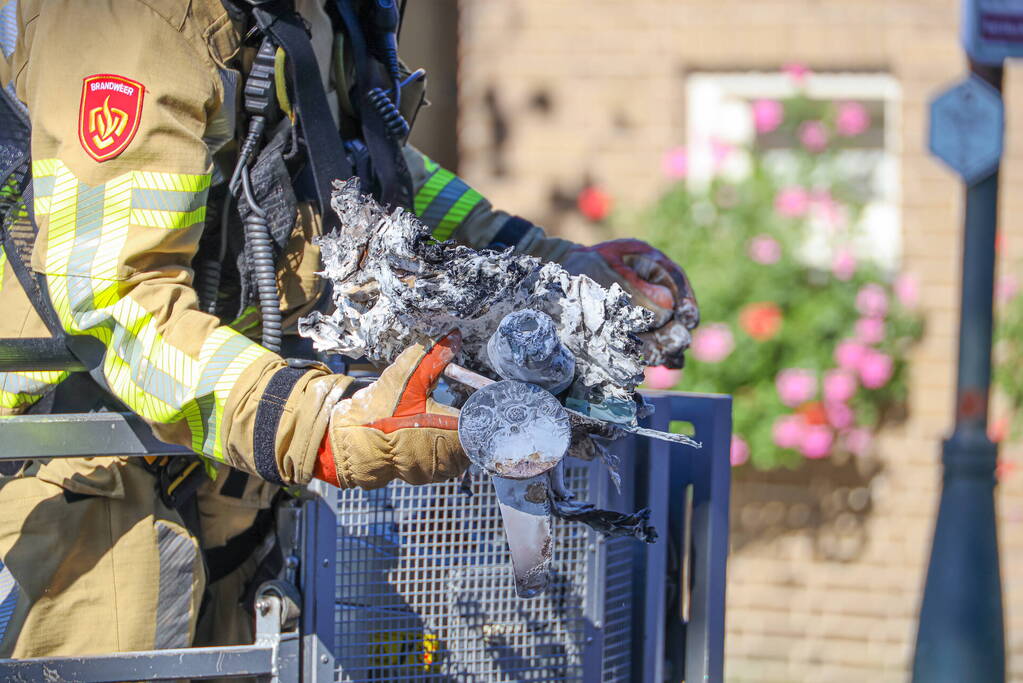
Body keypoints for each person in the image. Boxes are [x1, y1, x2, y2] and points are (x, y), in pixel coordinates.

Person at [0, 0, 698, 661]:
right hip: (83, 475)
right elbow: (118, 303)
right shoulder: (132, 22)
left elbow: (347, 166)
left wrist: (542, 259)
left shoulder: (305, 14)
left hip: (227, 475)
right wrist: (323, 428)